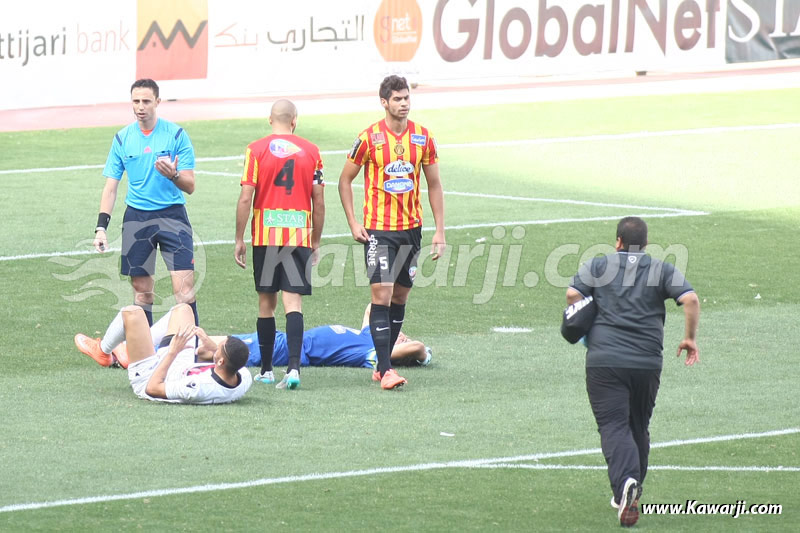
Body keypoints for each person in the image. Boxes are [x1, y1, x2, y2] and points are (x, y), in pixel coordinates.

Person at [565, 216, 700, 527]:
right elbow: (690, 299)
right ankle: (632, 489)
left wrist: (586, 318)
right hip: (647, 362)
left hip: (605, 360)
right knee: (638, 425)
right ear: (646, 244)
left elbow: (573, 294)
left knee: (613, 425)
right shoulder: (661, 268)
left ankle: (625, 481)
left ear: (617, 242)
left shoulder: (599, 266)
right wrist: (689, 338)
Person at [338, 75, 445, 390]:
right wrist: (353, 222)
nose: (404, 104)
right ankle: (385, 370)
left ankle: (381, 363)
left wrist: (440, 230)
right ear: (384, 102)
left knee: (400, 296)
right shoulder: (369, 138)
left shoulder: (423, 138)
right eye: (397, 99)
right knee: (381, 295)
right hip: (379, 231)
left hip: (411, 230)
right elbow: (345, 180)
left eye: (406, 98)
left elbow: (435, 185)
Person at [93, 78, 199, 328]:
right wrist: (101, 227)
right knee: (142, 291)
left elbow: (190, 185)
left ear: (158, 102)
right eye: (136, 101)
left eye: (146, 101)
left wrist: (173, 175)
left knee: (183, 290)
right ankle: (147, 355)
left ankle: (192, 349)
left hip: (173, 217)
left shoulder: (176, 135)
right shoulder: (122, 139)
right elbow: (110, 188)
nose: (140, 107)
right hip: (137, 219)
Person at [235, 99, 325, 390]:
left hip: (265, 236)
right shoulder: (312, 152)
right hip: (298, 236)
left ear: (269, 120)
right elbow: (319, 201)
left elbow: (246, 197)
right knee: (293, 303)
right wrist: (316, 240)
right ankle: (295, 369)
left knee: (266, 304)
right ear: (294, 120)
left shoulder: (256, 150)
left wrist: (239, 238)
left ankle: (266, 369)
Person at [75, 305, 432, 371]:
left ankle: (140, 357)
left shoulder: (374, 353)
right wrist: (394, 330)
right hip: (285, 341)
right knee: (209, 341)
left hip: (289, 349)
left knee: (210, 347)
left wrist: (408, 346)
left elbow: (418, 350)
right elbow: (374, 310)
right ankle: (138, 351)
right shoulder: (368, 335)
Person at [121, 303, 252, 404]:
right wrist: (210, 345)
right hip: (181, 364)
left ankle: (107, 349)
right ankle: (135, 344)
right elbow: (225, 359)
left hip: (150, 376)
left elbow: (152, 389)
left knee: (132, 313)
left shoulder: (199, 387)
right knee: (183, 309)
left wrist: (172, 352)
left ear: (221, 361)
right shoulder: (243, 375)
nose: (215, 347)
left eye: (218, 347)